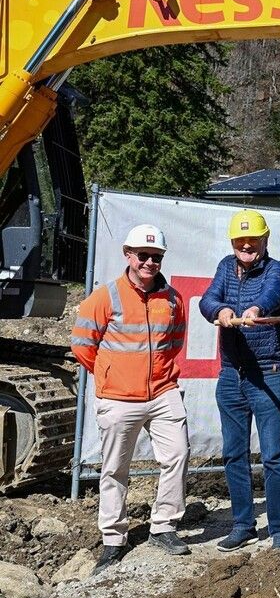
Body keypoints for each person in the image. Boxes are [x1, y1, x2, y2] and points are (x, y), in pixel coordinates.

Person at [72, 225, 190, 574]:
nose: (149, 262)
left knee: (178, 455)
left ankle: (164, 526)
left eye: (156, 257)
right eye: (143, 256)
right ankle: (113, 538)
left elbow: (175, 342)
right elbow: (82, 344)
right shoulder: (105, 296)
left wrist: (159, 375)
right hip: (119, 398)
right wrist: (112, 375)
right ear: (128, 255)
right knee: (115, 468)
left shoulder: (173, 299)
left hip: (163, 392)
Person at [199, 209, 280, 552]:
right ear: (233, 243)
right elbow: (208, 299)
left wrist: (255, 310)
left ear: (265, 240)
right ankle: (243, 525)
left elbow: (273, 293)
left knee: (273, 456)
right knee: (233, 453)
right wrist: (220, 311)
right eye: (240, 241)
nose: (247, 246)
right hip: (231, 373)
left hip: (267, 372)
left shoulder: (277, 269)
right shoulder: (226, 266)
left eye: (253, 240)